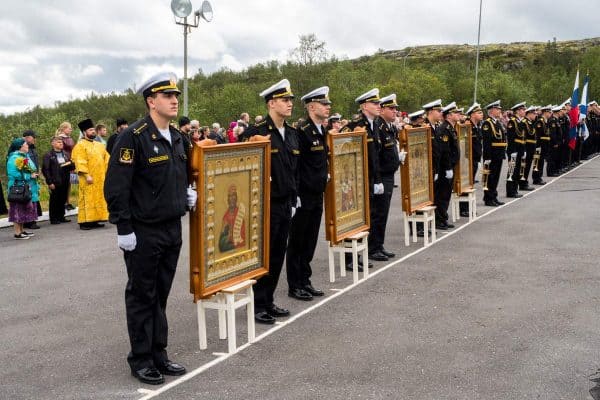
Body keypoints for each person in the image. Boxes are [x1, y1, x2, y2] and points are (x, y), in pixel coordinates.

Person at [104, 72, 205, 385]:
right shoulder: (133, 137)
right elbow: (117, 186)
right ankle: (141, 358)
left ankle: (159, 353)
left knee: (159, 294)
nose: (174, 100)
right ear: (151, 101)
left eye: (175, 95)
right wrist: (124, 227)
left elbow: (181, 173)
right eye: (166, 95)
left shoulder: (177, 137)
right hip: (143, 231)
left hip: (172, 227)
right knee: (141, 294)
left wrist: (189, 191)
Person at [241, 78, 299, 325]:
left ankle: (269, 299)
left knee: (277, 254)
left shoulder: (292, 134)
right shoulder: (254, 134)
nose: (290, 104)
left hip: (286, 203)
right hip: (264, 205)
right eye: (285, 100)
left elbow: (294, 170)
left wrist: (295, 197)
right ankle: (257, 304)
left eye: (291, 100)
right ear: (271, 103)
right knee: (262, 256)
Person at [286, 86, 331, 302]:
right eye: (324, 104)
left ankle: (305, 279)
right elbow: (296, 165)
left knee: (311, 239)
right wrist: (296, 194)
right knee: (298, 241)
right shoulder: (302, 131)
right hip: (304, 194)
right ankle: (295, 284)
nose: (328, 107)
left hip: (317, 193)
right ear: (312, 107)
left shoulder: (321, 130)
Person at [341, 88, 383, 269]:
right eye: (375, 103)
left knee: (367, 218)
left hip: (370, 180)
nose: (379, 106)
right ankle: (349, 259)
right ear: (365, 106)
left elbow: (375, 157)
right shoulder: (354, 126)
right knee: (354, 219)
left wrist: (377, 179)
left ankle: (359, 255)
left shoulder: (374, 124)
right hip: (356, 181)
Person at [369, 93, 404, 260]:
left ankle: (379, 245)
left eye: (396, 108)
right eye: (391, 108)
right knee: (378, 213)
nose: (395, 111)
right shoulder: (379, 127)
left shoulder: (388, 127)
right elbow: (376, 156)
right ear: (382, 110)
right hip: (382, 176)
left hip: (389, 175)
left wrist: (398, 158)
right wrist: (377, 179)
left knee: (383, 213)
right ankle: (373, 247)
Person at [71, 118, 109, 230]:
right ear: (84, 132)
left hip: (100, 177)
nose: (93, 131)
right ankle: (84, 222)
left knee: (98, 198)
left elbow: (107, 159)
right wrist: (87, 175)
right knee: (87, 199)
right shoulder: (80, 146)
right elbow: (79, 161)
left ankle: (96, 220)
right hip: (87, 178)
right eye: (90, 130)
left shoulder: (99, 145)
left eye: (93, 130)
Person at [434, 102, 460, 230]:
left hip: (450, 166)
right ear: (449, 115)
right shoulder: (444, 128)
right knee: (442, 194)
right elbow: (445, 151)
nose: (459, 115)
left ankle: (443, 217)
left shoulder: (451, 128)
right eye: (456, 113)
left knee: (446, 194)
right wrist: (448, 167)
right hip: (445, 168)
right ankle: (439, 220)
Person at [6, 138, 39, 239]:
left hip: (27, 187)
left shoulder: (25, 156)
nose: (27, 146)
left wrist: (34, 174)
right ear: (20, 147)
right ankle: (17, 233)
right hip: (18, 188)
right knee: (17, 209)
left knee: (23, 209)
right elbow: (13, 174)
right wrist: (29, 176)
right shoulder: (14, 158)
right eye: (26, 144)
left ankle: (22, 230)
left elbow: (30, 169)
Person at [42, 137, 75, 224]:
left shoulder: (65, 154)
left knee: (63, 198)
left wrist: (71, 164)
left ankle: (61, 216)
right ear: (53, 144)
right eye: (58, 142)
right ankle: (54, 218)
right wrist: (50, 182)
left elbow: (71, 167)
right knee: (54, 200)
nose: (61, 144)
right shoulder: (49, 155)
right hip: (55, 180)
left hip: (65, 179)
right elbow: (46, 169)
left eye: (61, 142)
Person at [460, 103, 483, 217]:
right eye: (479, 112)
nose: (482, 114)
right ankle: (463, 208)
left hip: (475, 159)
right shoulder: (467, 126)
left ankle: (467, 207)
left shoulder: (477, 126)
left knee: (471, 184)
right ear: (472, 114)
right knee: (466, 184)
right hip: (467, 160)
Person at [481, 100, 507, 207]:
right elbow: (487, 142)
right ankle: (488, 198)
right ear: (491, 111)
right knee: (490, 178)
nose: (499, 111)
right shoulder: (487, 123)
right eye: (497, 109)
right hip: (492, 154)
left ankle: (494, 196)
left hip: (498, 154)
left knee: (495, 177)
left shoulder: (497, 122)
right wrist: (487, 157)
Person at [505, 102, 527, 198]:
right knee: (512, 171)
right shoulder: (512, 122)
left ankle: (515, 189)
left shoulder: (521, 122)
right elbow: (511, 138)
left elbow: (522, 138)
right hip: (513, 150)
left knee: (517, 171)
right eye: (523, 110)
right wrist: (513, 151)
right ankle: (510, 191)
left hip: (519, 149)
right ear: (517, 111)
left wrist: (523, 150)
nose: (524, 111)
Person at [22, 130, 42, 230]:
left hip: (34, 177)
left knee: (34, 199)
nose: (35, 139)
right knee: (28, 200)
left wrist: (38, 172)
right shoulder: (21, 150)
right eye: (33, 137)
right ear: (26, 138)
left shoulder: (33, 148)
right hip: (27, 179)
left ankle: (32, 219)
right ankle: (29, 221)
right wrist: (30, 175)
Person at [55, 121, 76, 210]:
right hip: (64, 162)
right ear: (63, 129)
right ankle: (63, 202)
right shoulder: (60, 138)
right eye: (69, 128)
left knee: (69, 183)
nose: (71, 129)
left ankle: (68, 202)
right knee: (64, 183)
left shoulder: (69, 138)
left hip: (71, 161)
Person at [219, 184, 246, 252]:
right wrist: (228, 237)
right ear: (227, 200)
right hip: (230, 247)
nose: (232, 199)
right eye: (230, 196)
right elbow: (221, 241)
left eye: (234, 196)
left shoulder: (240, 213)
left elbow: (243, 235)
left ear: (236, 198)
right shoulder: (226, 217)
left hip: (240, 246)